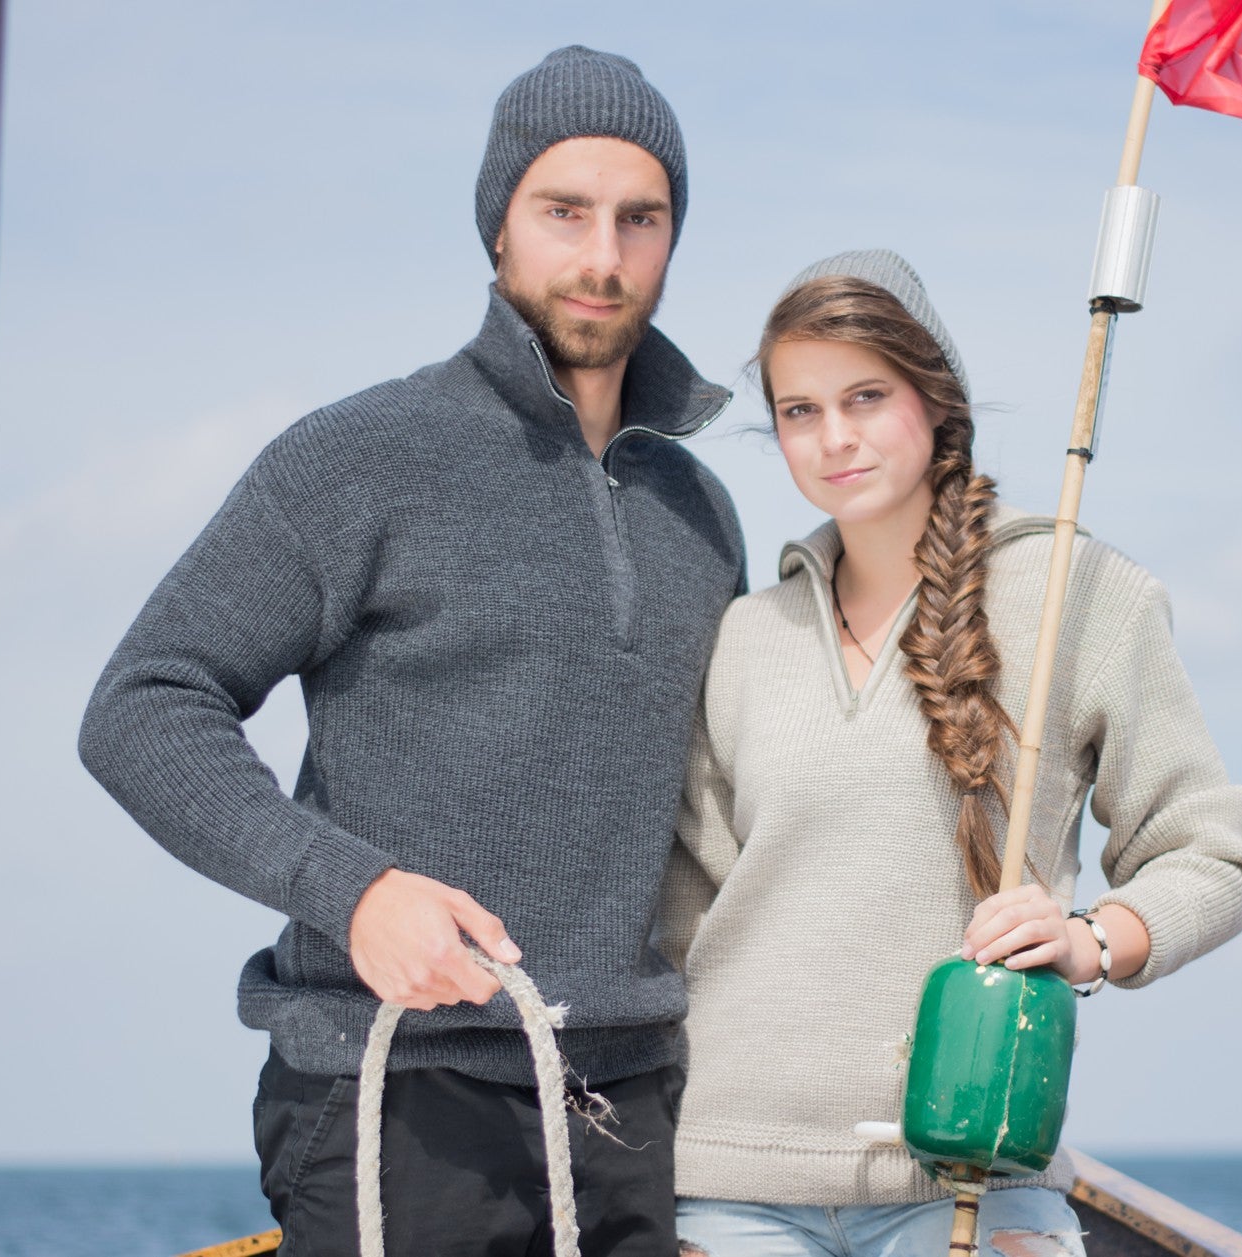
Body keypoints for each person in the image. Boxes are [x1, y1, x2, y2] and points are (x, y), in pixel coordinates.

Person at [78, 46, 743, 1256]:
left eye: (639, 218)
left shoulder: (701, 512)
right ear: (498, 229)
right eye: (565, 211)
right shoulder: (358, 459)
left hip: (630, 1110)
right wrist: (354, 891)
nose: (602, 255)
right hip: (390, 1096)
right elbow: (143, 705)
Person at [659, 250, 1242, 1256]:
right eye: (800, 411)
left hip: (971, 1178)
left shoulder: (1078, 593)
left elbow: (1210, 853)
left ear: (935, 398)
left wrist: (1090, 940)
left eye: (864, 396)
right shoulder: (741, 640)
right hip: (732, 1185)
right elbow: (686, 923)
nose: (834, 437)